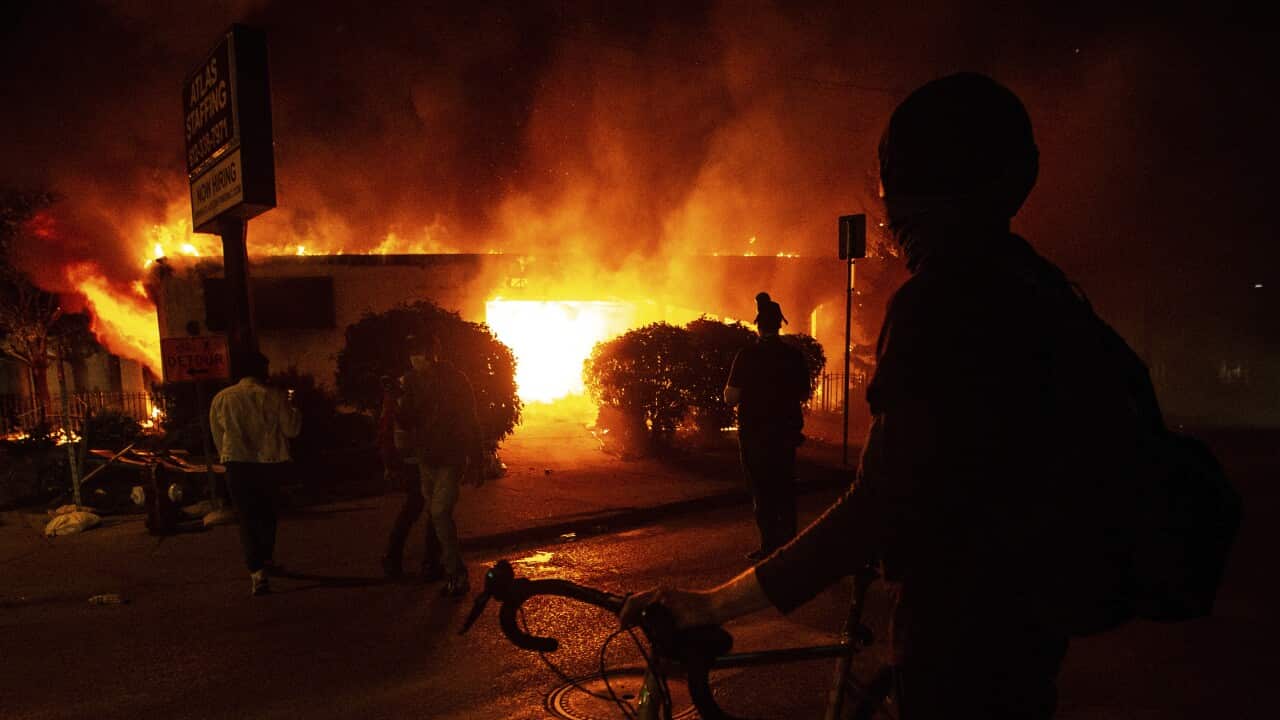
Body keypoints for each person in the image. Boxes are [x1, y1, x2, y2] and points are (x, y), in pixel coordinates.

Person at [624, 73, 1104, 718]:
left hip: (958, 635)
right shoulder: (1047, 291)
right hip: (1031, 625)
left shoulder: (943, 302)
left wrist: (715, 604)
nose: (890, 222)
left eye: (893, 196)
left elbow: (881, 500)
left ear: (910, 193)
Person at [382, 332, 484, 597]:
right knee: (435, 514)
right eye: (413, 354)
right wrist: (394, 398)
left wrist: (477, 459)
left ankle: (456, 574)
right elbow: (407, 421)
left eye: (422, 353)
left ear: (433, 354)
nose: (417, 359)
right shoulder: (412, 382)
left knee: (438, 513)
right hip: (426, 458)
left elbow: (470, 419)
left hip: (450, 457)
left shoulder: (455, 380)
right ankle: (437, 566)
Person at [724, 292, 811, 561]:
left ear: (758, 325)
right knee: (784, 485)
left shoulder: (747, 355)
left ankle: (769, 545)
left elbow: (731, 397)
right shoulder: (794, 356)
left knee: (761, 488)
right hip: (785, 433)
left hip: (755, 433)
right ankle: (790, 545)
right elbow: (804, 393)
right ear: (779, 324)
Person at [209, 350, 301, 597]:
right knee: (268, 514)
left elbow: (218, 435)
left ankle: (257, 572)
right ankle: (266, 558)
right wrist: (294, 406)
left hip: (237, 464)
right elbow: (292, 430)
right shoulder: (276, 396)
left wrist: (227, 457)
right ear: (261, 370)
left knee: (247, 518)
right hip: (270, 463)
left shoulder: (222, 398)